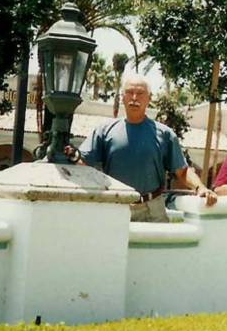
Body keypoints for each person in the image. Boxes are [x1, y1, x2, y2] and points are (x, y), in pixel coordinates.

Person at [64, 74, 217, 222]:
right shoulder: (104, 131)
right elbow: (83, 163)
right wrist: (72, 156)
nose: (134, 98)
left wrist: (201, 188)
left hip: (153, 210)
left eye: (140, 93)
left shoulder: (165, 134)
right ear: (122, 97)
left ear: (149, 98)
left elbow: (182, 171)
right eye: (130, 92)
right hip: (115, 207)